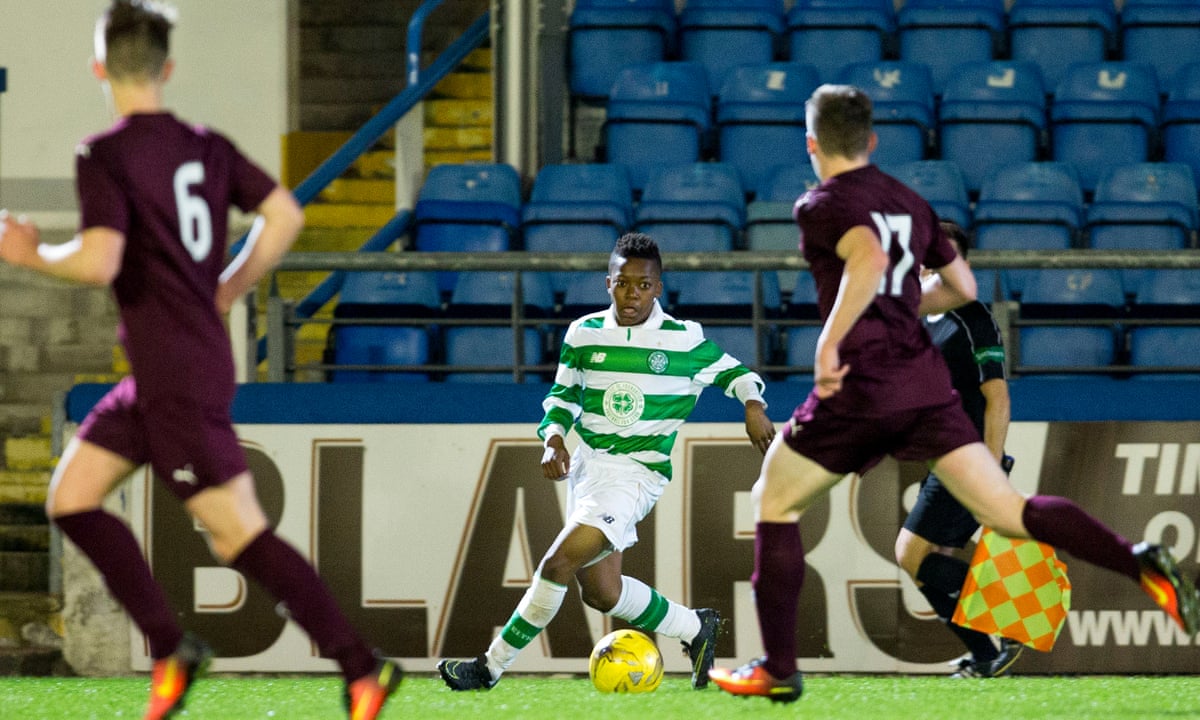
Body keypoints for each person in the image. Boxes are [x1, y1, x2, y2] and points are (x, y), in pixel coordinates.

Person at [709, 84, 1200, 704]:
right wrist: (906, 303)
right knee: (1008, 513)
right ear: (872, 141)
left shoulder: (821, 204)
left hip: (860, 383)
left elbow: (862, 259)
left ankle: (779, 667)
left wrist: (831, 340)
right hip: (924, 387)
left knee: (773, 501)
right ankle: (1137, 561)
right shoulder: (912, 202)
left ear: (811, 143)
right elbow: (962, 284)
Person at [0, 3, 400, 719]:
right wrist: (233, 284)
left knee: (239, 536)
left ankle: (360, 665)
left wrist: (31, 254)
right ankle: (170, 647)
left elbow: (100, 260)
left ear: (98, 69)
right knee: (71, 496)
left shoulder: (106, 154)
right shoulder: (207, 146)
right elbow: (285, 213)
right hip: (163, 371)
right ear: (168, 69)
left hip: (174, 376)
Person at [437, 232, 776, 691]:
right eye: (622, 283)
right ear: (607, 283)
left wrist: (753, 405)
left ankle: (490, 667)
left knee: (557, 564)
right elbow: (563, 396)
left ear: (659, 287)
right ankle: (696, 628)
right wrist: (554, 438)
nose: (631, 294)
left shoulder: (683, 340)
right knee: (602, 592)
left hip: (636, 475)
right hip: (588, 468)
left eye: (642, 285)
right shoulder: (583, 333)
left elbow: (739, 375)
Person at [896, 219, 1022, 679]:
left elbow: (998, 397)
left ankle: (1005, 620)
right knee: (930, 564)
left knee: (910, 555)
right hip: (945, 460)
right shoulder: (922, 319)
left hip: (970, 460)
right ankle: (987, 656)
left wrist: (989, 467)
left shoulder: (973, 317)